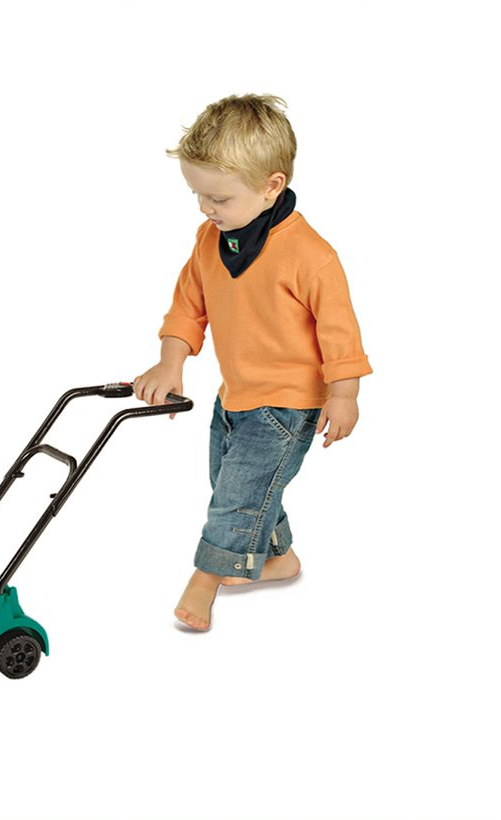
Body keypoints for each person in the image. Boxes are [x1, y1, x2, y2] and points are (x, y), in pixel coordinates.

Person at [134, 94, 373, 631]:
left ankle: (205, 580)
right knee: (238, 484)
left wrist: (345, 394)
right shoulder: (210, 240)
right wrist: (170, 363)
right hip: (236, 395)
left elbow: (340, 333)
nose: (205, 209)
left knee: (236, 497)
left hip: (288, 406)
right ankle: (278, 558)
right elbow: (188, 306)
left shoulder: (311, 255)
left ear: (271, 185)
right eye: (198, 195)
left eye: (218, 197)